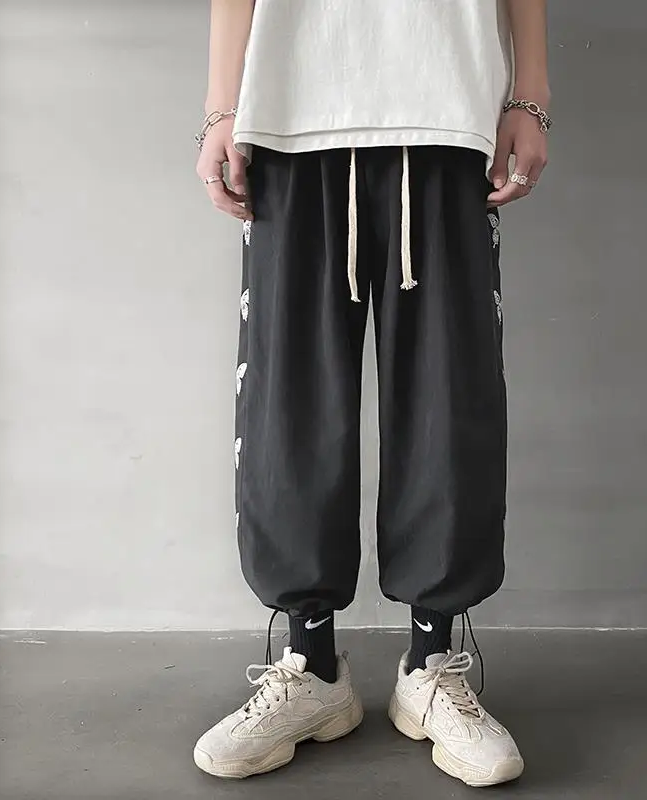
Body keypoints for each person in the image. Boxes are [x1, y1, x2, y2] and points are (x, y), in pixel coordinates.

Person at [193, 0, 550, 787]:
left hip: (447, 107)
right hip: (288, 111)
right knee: (288, 403)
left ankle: (430, 667)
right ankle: (312, 666)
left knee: (449, 396)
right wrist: (222, 106)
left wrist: (530, 95)